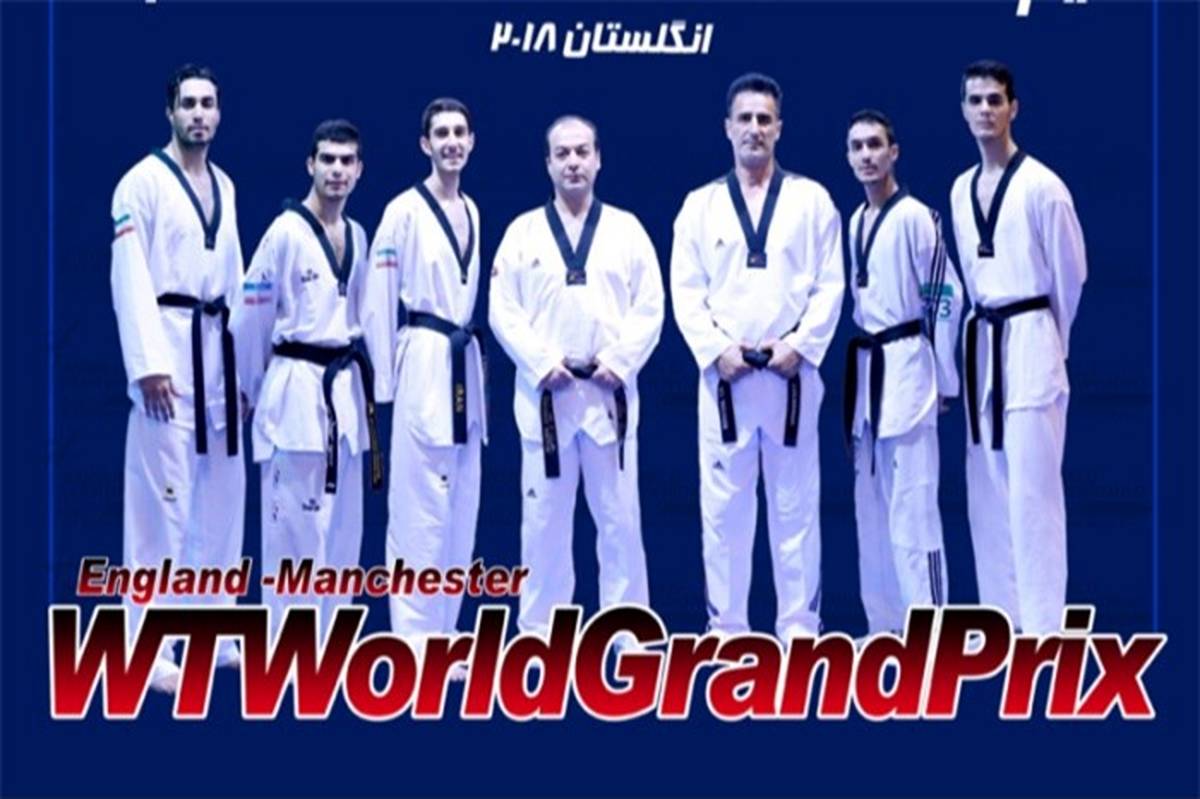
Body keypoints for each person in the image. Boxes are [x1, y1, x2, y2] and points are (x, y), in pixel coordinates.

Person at [670, 73, 844, 641]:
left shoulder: (812, 200)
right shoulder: (698, 206)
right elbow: (685, 291)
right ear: (727, 128)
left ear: (780, 128)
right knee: (724, 511)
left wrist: (801, 344)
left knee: (796, 506)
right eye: (744, 118)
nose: (754, 129)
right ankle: (727, 627)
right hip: (727, 382)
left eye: (764, 119)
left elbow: (830, 285)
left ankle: (799, 626)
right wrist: (716, 349)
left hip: (791, 378)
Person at [489, 115, 664, 638]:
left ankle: (629, 633)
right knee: (542, 528)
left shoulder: (627, 230)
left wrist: (622, 360)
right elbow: (502, 311)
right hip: (548, 400)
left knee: (621, 523)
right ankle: (540, 635)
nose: (573, 163)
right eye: (562, 154)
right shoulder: (521, 233)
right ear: (547, 163)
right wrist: (542, 362)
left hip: (609, 398)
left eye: (582, 152)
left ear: (598, 159)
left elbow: (651, 307)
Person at [110, 64, 245, 693]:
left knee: (219, 501)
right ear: (170, 111)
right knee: (159, 507)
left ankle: (212, 628)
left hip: (217, 356)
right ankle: (146, 646)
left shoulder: (226, 185)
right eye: (188, 103)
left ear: (219, 113)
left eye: (207, 104)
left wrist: (244, 367)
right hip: (167, 348)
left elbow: (235, 278)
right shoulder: (140, 182)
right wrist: (148, 365)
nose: (198, 114)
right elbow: (129, 274)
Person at [950, 60, 1087, 635]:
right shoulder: (960, 189)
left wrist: (1049, 342)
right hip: (984, 346)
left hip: (1031, 342)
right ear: (963, 110)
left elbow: (1069, 277)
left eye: (995, 100)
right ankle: (1001, 626)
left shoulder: (1043, 187)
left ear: (1014, 108)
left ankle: (1044, 631)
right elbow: (968, 274)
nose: (985, 110)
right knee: (986, 496)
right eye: (975, 100)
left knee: (1034, 498)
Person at [230, 119, 378, 641]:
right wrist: (253, 387)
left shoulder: (359, 235)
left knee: (342, 536)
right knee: (293, 538)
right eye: (328, 160)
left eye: (347, 161)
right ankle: (284, 652)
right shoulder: (285, 232)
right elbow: (249, 319)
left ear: (359, 170)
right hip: (293, 391)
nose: (337, 170)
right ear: (310, 165)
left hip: (344, 394)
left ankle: (331, 648)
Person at [361, 99, 486, 663]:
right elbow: (378, 299)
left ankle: (445, 629)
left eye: (460, 132)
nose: (452, 142)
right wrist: (385, 386)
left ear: (472, 141)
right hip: (421, 359)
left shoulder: (473, 210)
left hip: (463, 361)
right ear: (424, 144)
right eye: (441, 133)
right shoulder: (403, 211)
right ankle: (413, 637)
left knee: (461, 505)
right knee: (418, 509)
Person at [842, 109, 963, 636]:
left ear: (894, 152)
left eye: (875, 145)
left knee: (914, 509)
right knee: (871, 512)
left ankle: (929, 632)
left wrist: (945, 378)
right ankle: (885, 627)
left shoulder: (918, 217)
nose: (866, 155)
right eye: (856, 147)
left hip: (911, 370)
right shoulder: (855, 220)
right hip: (870, 373)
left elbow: (945, 297)